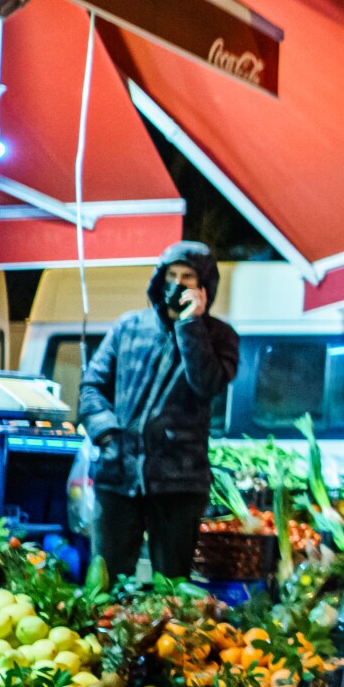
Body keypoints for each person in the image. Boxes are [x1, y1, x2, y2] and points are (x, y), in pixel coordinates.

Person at [78, 241, 239, 580]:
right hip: (118, 474)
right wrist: (107, 434)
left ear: (204, 286)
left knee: (172, 585)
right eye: (171, 274)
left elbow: (207, 385)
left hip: (180, 482)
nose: (177, 283)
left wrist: (190, 327)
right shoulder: (129, 327)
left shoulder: (220, 337)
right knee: (104, 580)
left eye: (188, 277)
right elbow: (92, 386)